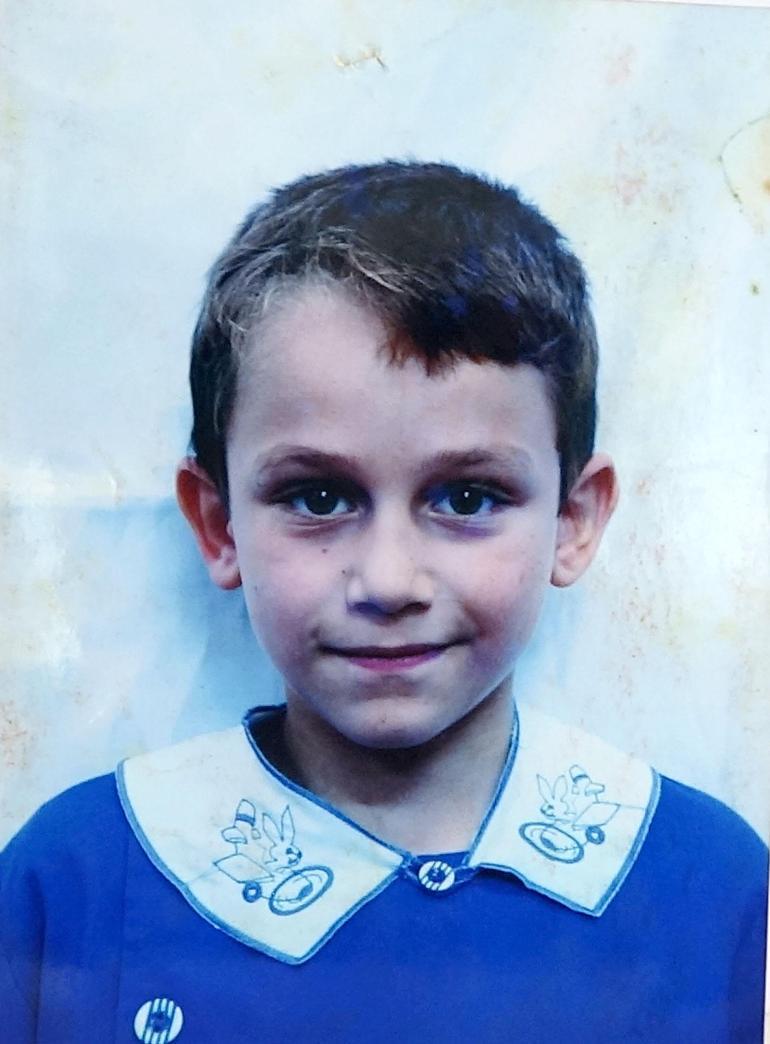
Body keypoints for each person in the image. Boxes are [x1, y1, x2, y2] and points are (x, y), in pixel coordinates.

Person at [0, 161, 766, 1043]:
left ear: (573, 520)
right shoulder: (77, 884)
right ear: (217, 524)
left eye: (467, 498)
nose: (390, 581)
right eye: (318, 496)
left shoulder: (711, 890)